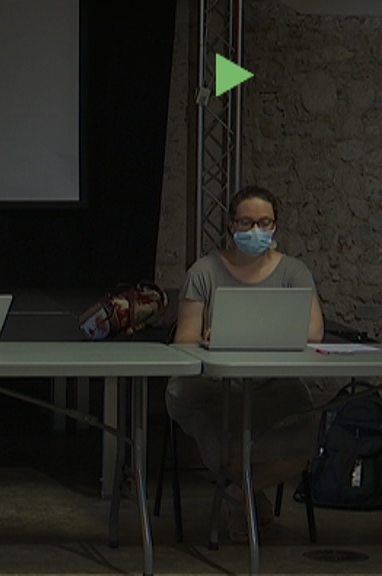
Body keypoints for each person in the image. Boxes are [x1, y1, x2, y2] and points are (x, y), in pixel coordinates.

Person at [165, 185, 324, 542]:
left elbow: (314, 331)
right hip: (211, 384)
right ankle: (252, 496)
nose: (256, 230)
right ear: (231, 225)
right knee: (222, 438)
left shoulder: (294, 272)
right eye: (247, 222)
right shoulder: (204, 271)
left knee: (305, 438)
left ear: (275, 226)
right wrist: (209, 340)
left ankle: (241, 493)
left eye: (264, 223)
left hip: (273, 382)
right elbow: (184, 340)